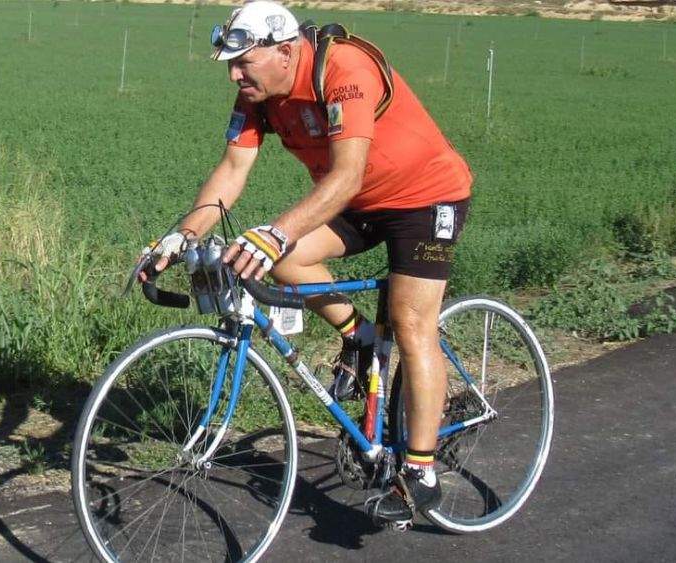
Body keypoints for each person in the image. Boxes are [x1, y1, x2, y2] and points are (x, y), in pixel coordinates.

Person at [142, 0, 472, 525]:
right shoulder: (258, 95)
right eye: (231, 64)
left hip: (424, 200)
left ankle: (421, 472)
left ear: (284, 50)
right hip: (358, 205)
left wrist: (276, 232)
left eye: (243, 63)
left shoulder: (344, 70)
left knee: (411, 323)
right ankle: (361, 337)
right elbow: (231, 170)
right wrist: (180, 238)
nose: (235, 76)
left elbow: (347, 175)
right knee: (283, 262)